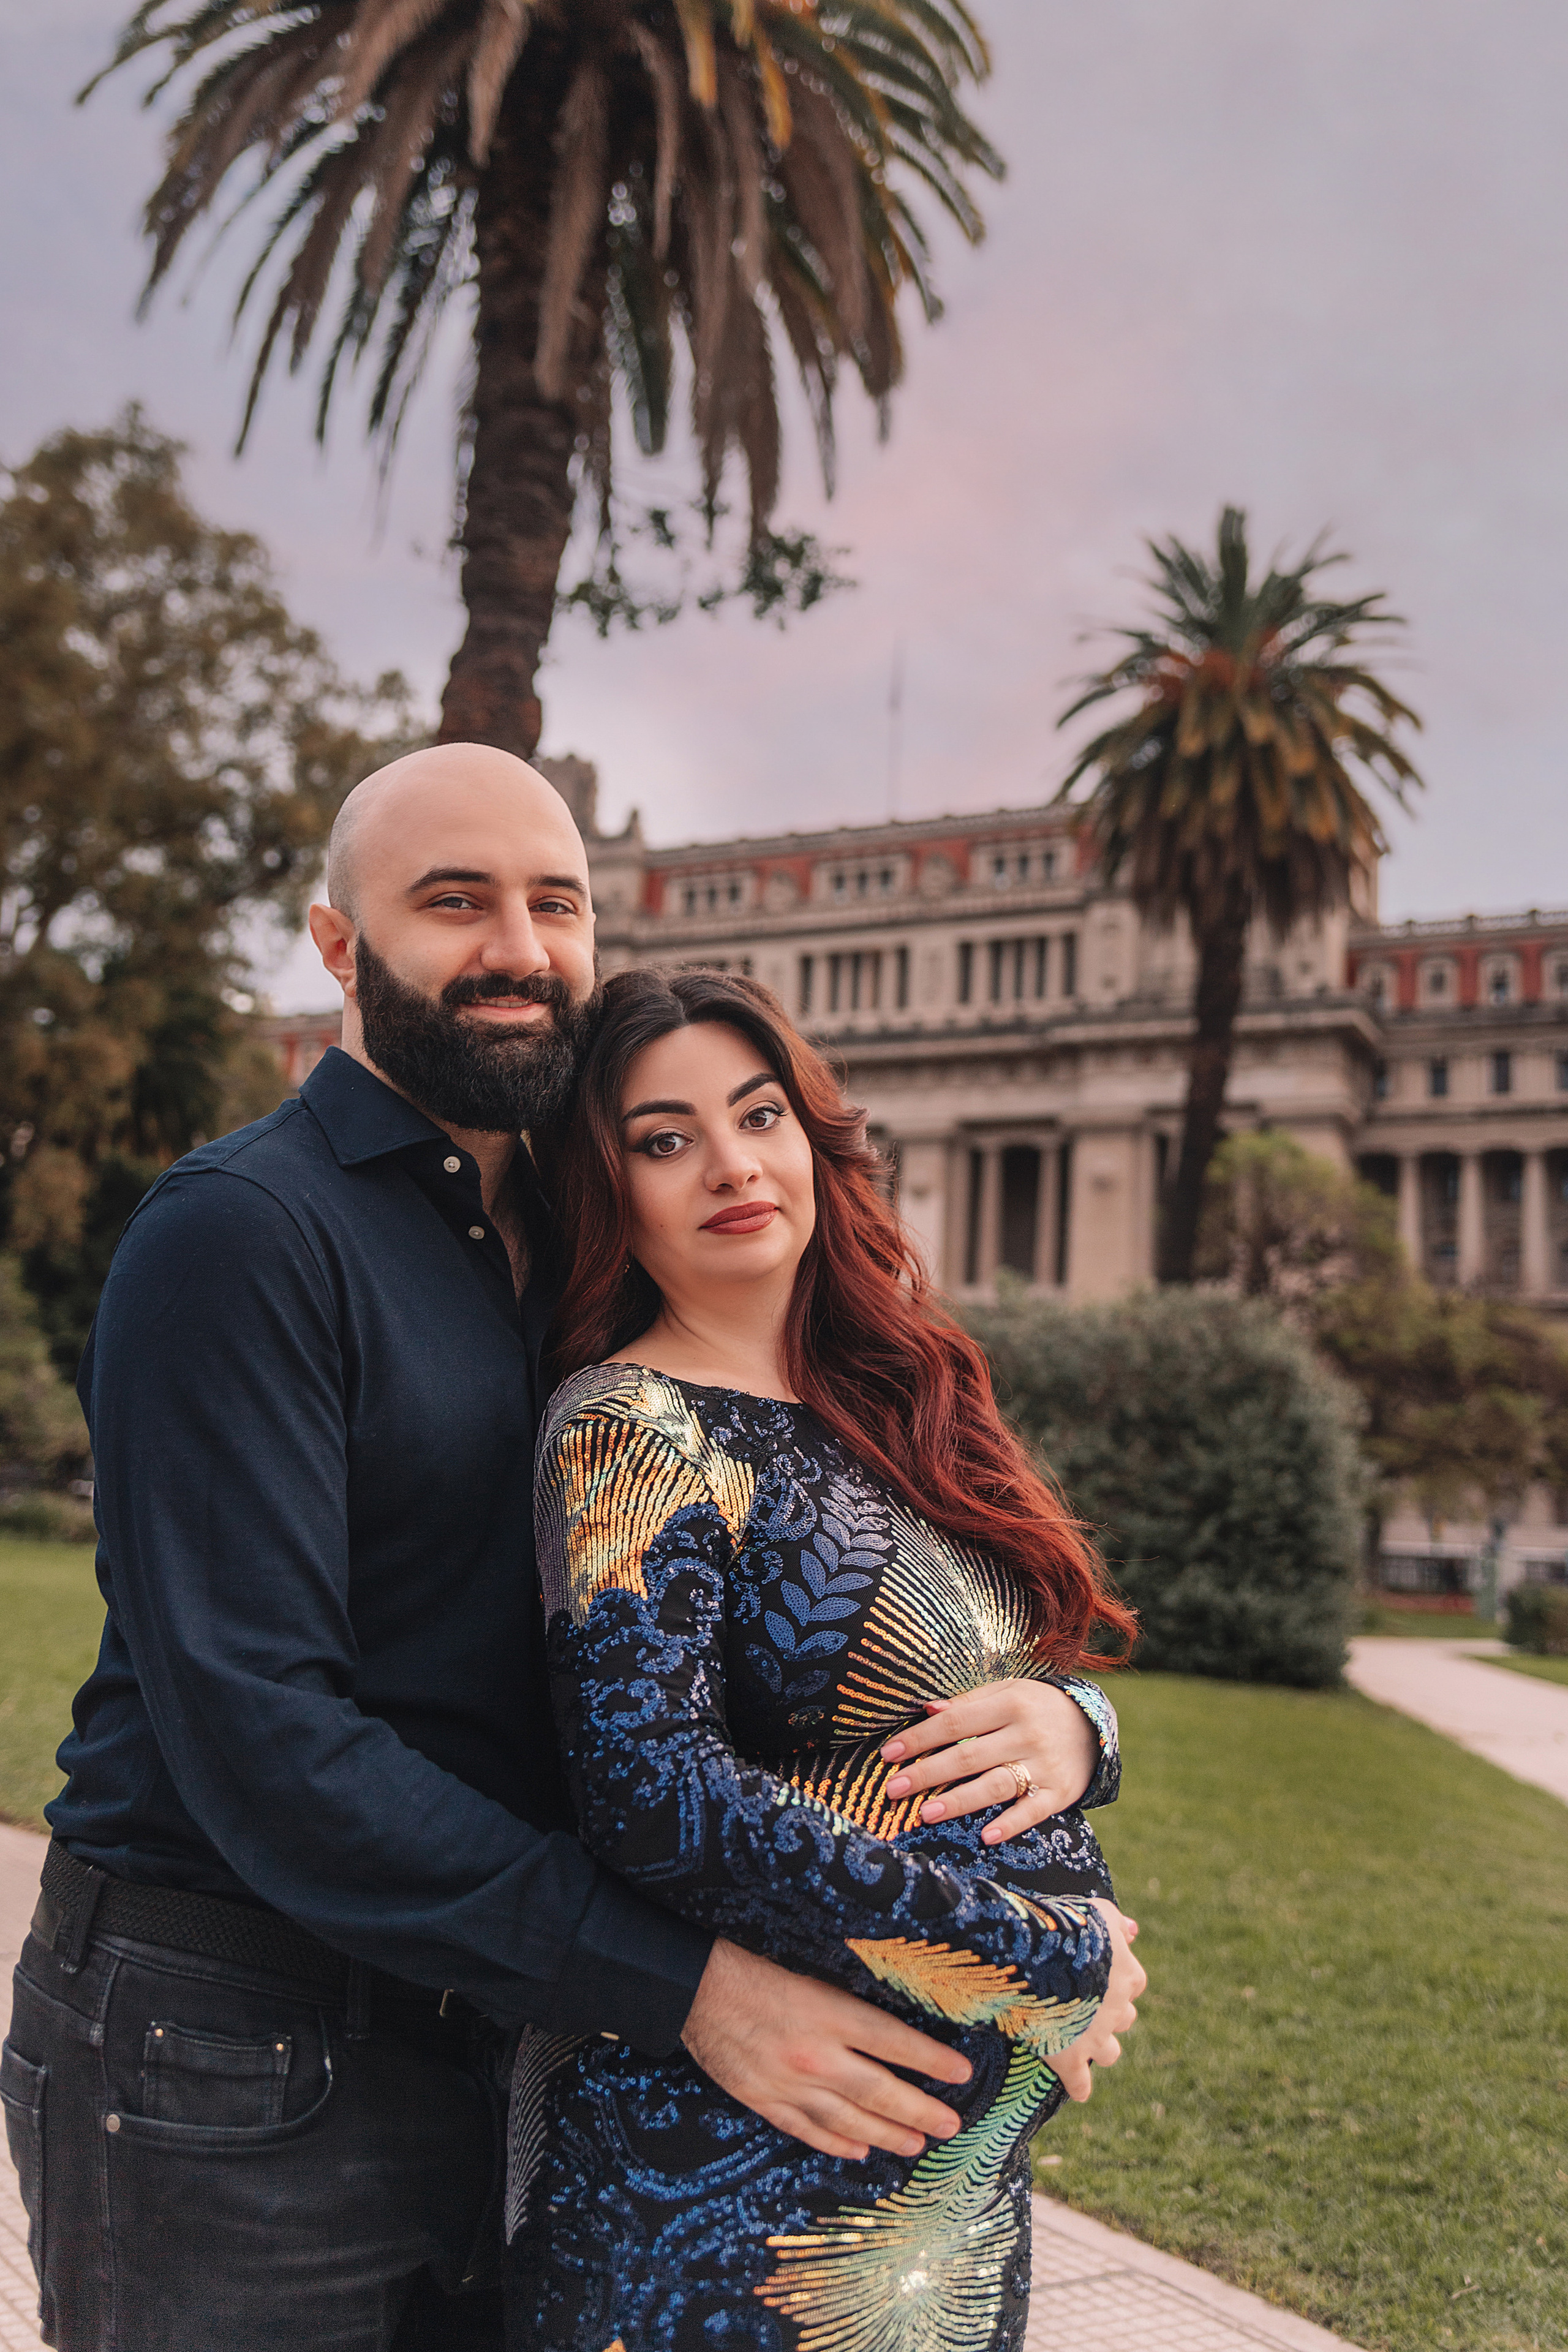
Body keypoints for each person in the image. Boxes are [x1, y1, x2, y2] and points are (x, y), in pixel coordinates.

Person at [2, 747, 1120, 2352]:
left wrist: (1069, 1738)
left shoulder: (573, 1247)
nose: (519, 947)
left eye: (557, 903)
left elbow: (757, 1654)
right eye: (454, 902)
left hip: (511, 2032)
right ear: (339, 947)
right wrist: (690, 1987)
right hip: (232, 2040)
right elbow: (267, 1738)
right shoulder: (242, 1234)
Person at [508, 967, 1147, 2351]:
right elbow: (652, 1793)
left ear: (813, 1139)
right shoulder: (628, 1424)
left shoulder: (898, 1397)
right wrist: (1038, 1954)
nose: (732, 1165)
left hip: (942, 2208)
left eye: (759, 1117)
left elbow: (1008, 1665)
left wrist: (1081, 1727)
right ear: (607, 1192)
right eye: (665, 1140)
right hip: (724, 2184)